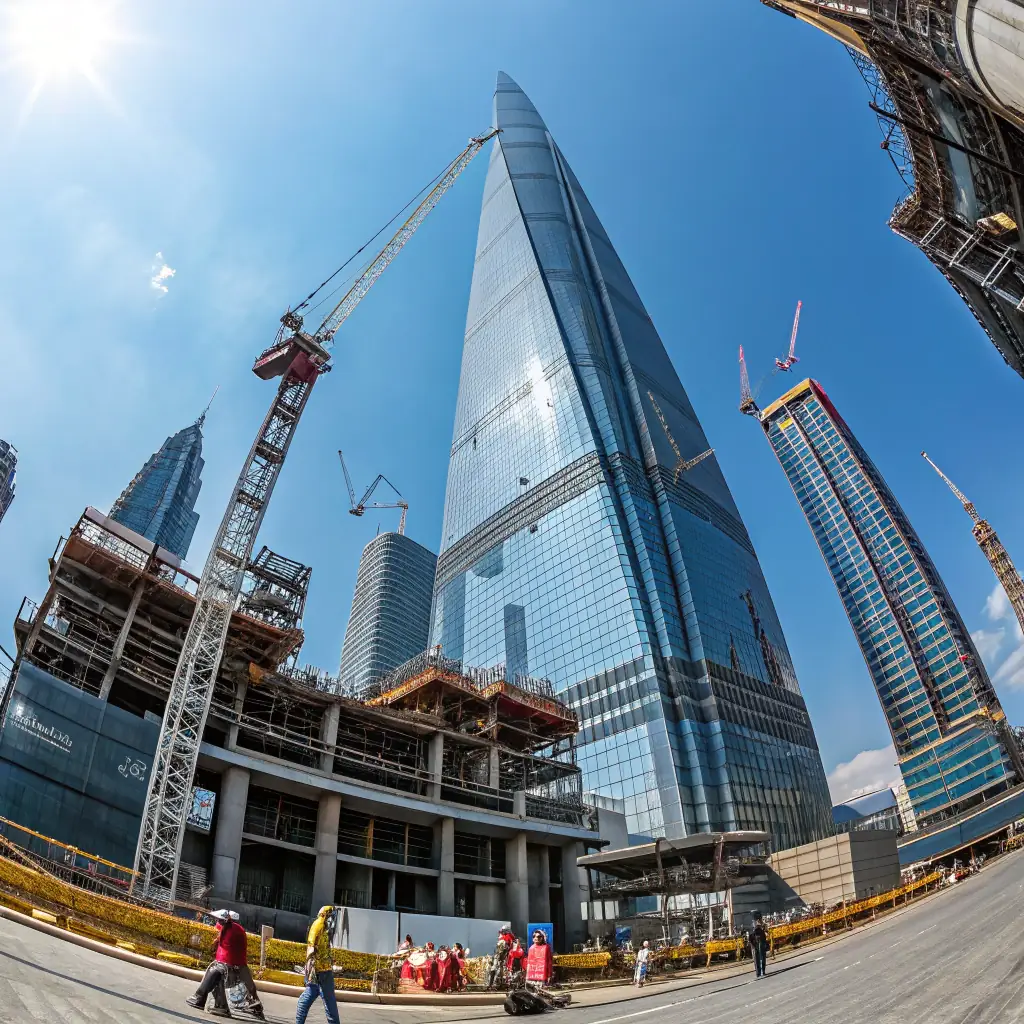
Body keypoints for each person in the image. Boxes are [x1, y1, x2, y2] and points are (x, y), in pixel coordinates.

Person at [186, 909, 247, 1017]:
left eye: (218, 920)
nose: (217, 922)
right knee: (216, 974)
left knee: (215, 972)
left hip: (234, 968)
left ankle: (199, 997)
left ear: (223, 921)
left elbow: (229, 955)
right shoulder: (229, 928)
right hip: (231, 966)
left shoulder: (233, 931)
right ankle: (221, 1006)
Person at [296, 905, 340, 1024]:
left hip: (322, 970)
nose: (333, 919)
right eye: (332, 916)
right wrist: (310, 969)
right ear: (326, 915)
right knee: (330, 1002)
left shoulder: (323, 927)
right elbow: (311, 947)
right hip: (321, 971)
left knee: (310, 995)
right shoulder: (318, 926)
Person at [225, 912, 266, 1020]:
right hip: (241, 963)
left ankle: (225, 1003)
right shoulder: (241, 930)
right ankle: (256, 1005)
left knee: (224, 982)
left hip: (233, 962)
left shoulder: (231, 929)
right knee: (250, 986)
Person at [749, 912, 769, 979]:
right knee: (756, 958)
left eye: (760, 918)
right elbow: (750, 935)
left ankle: (762, 971)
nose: (759, 920)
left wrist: (763, 926)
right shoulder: (752, 925)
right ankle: (758, 972)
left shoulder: (763, 925)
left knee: (762, 957)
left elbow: (767, 933)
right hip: (755, 943)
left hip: (761, 942)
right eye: (758, 919)